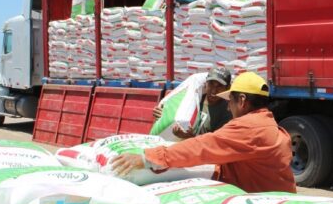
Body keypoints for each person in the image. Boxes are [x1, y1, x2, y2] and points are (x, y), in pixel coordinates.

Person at [113, 72, 296, 193]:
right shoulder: (266, 123)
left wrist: (149, 158)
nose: (228, 107)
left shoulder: (249, 128)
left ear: (241, 101)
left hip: (266, 203)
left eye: (229, 101)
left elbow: (203, 147)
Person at [153, 67, 233, 139]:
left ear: (227, 88)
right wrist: (161, 113)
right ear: (205, 83)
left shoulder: (227, 112)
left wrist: (190, 138)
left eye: (219, 86)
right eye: (211, 84)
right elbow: (170, 110)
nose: (214, 90)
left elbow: (215, 143)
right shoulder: (193, 99)